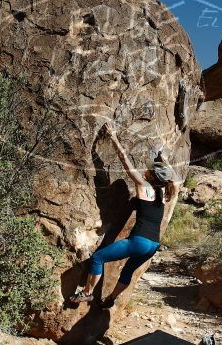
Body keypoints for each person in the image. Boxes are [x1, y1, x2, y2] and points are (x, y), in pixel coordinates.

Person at [70, 123, 177, 308]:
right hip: (152, 245)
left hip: (139, 242)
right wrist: (162, 158)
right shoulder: (165, 195)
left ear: (151, 176)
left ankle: (87, 293)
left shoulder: (143, 186)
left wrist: (113, 137)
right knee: (128, 270)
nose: (147, 169)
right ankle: (111, 299)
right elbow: (170, 177)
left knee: (97, 258)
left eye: (150, 169)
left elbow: (124, 159)